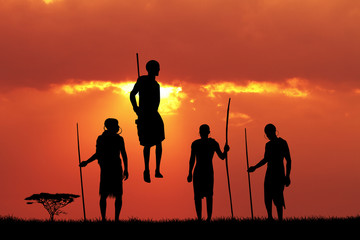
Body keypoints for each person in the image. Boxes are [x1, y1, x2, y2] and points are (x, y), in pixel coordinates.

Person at [80, 118, 129, 221]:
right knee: (106, 195)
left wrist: (126, 169)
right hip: (109, 167)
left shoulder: (115, 139)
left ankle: (113, 219)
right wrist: (87, 162)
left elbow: (123, 154)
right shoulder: (105, 139)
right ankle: (106, 219)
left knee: (114, 195)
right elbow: (99, 154)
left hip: (112, 167)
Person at [130, 60, 165, 183]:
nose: (159, 70)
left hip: (153, 115)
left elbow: (157, 102)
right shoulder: (142, 80)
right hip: (145, 115)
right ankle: (146, 169)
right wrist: (136, 109)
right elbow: (132, 94)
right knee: (148, 144)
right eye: (157, 68)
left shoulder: (156, 85)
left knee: (159, 141)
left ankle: (157, 170)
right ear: (152, 69)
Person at [248, 123, 291, 221]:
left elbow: (288, 160)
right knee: (268, 196)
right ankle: (270, 217)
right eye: (267, 134)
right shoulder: (268, 145)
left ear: (273, 132)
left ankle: (280, 218)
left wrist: (287, 176)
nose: (268, 135)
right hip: (270, 172)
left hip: (279, 173)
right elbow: (266, 159)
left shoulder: (282, 143)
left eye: (268, 133)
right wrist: (255, 167)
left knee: (278, 196)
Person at [187, 124, 230, 221]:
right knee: (208, 195)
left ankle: (200, 218)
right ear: (209, 132)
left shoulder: (196, 143)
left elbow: (192, 160)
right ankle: (208, 218)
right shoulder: (213, 143)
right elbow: (222, 157)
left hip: (199, 171)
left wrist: (190, 172)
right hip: (207, 171)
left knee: (199, 196)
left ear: (199, 133)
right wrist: (225, 151)